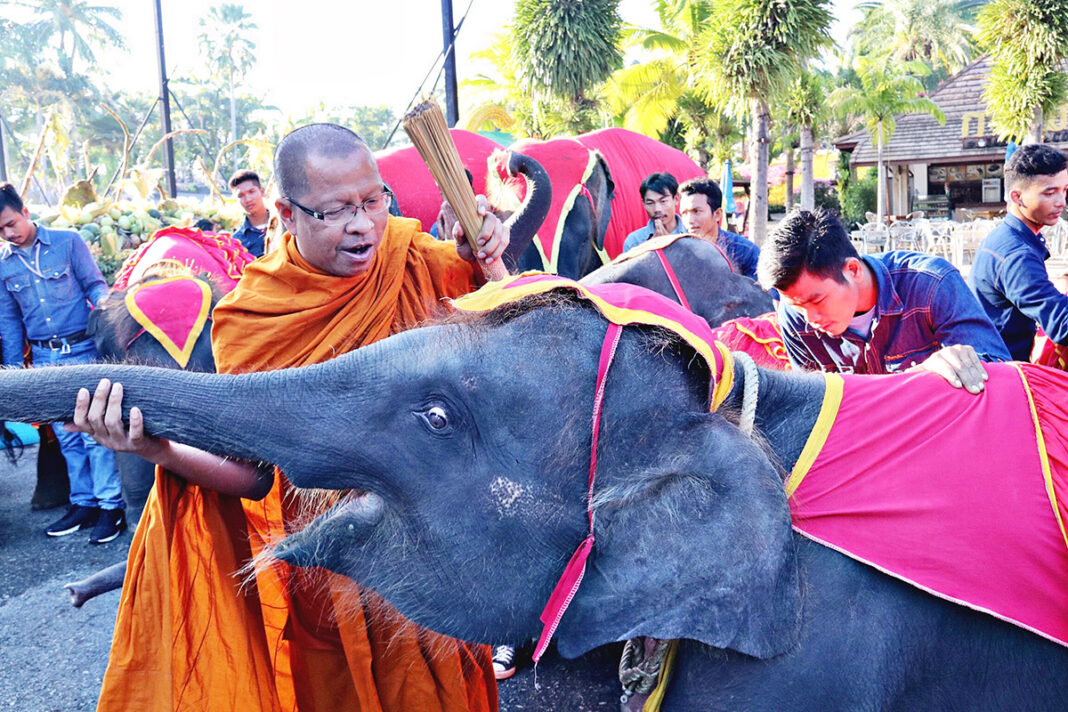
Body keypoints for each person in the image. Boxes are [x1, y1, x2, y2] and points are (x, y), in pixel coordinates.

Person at [72, 124, 503, 711]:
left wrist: (488, 260)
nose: (363, 225)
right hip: (329, 572)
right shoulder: (253, 319)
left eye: (373, 201)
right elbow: (255, 478)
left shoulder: (416, 260)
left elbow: (505, 347)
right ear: (286, 212)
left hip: (432, 551)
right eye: (336, 210)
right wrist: (158, 452)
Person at [758, 209, 1010, 392]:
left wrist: (952, 364)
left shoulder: (931, 284)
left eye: (817, 301)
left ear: (853, 270)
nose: (811, 320)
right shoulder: (794, 319)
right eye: (797, 306)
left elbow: (1000, 372)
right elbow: (810, 401)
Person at [0, 182, 126, 544]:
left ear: (25, 211)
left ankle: (110, 507)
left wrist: (107, 306)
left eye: (11, 223)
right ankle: (82, 504)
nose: (8, 234)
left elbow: (94, 285)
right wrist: (12, 376)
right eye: (0, 230)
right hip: (43, 359)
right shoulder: (4, 266)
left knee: (92, 434)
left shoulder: (68, 242)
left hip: (83, 351)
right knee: (66, 439)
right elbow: (9, 324)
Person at [968, 143, 1068, 361]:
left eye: (1065, 190)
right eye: (1049, 193)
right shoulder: (1017, 254)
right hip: (999, 370)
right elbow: (1062, 324)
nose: (1061, 202)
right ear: (1017, 197)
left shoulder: (1009, 236)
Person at [678, 177, 760, 281]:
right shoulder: (678, 252)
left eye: (697, 211)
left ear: (717, 214)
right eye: (684, 213)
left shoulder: (745, 251)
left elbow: (766, 293)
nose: (689, 220)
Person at [622, 172, 684, 252]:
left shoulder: (692, 233)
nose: (657, 209)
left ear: (676, 199)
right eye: (650, 203)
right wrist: (649, 248)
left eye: (663, 201)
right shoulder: (634, 241)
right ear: (643, 203)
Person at [230, 169, 270, 257]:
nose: (248, 199)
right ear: (236, 200)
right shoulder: (237, 241)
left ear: (262, 192)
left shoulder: (285, 224)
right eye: (241, 196)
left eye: (251, 192)